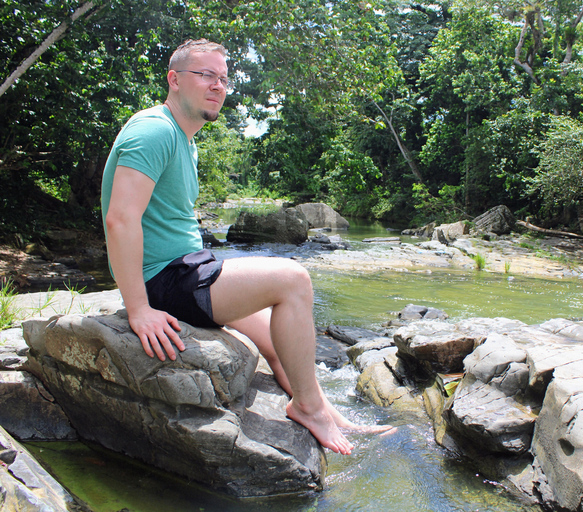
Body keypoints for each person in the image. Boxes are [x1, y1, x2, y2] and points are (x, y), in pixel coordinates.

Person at [101, 39, 385, 455]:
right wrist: (140, 309)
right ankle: (309, 409)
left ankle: (328, 410)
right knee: (293, 280)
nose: (217, 85)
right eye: (205, 75)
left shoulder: (185, 138)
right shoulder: (154, 131)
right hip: (165, 280)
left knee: (276, 341)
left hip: (187, 269)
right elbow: (120, 218)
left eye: (223, 78)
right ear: (174, 79)